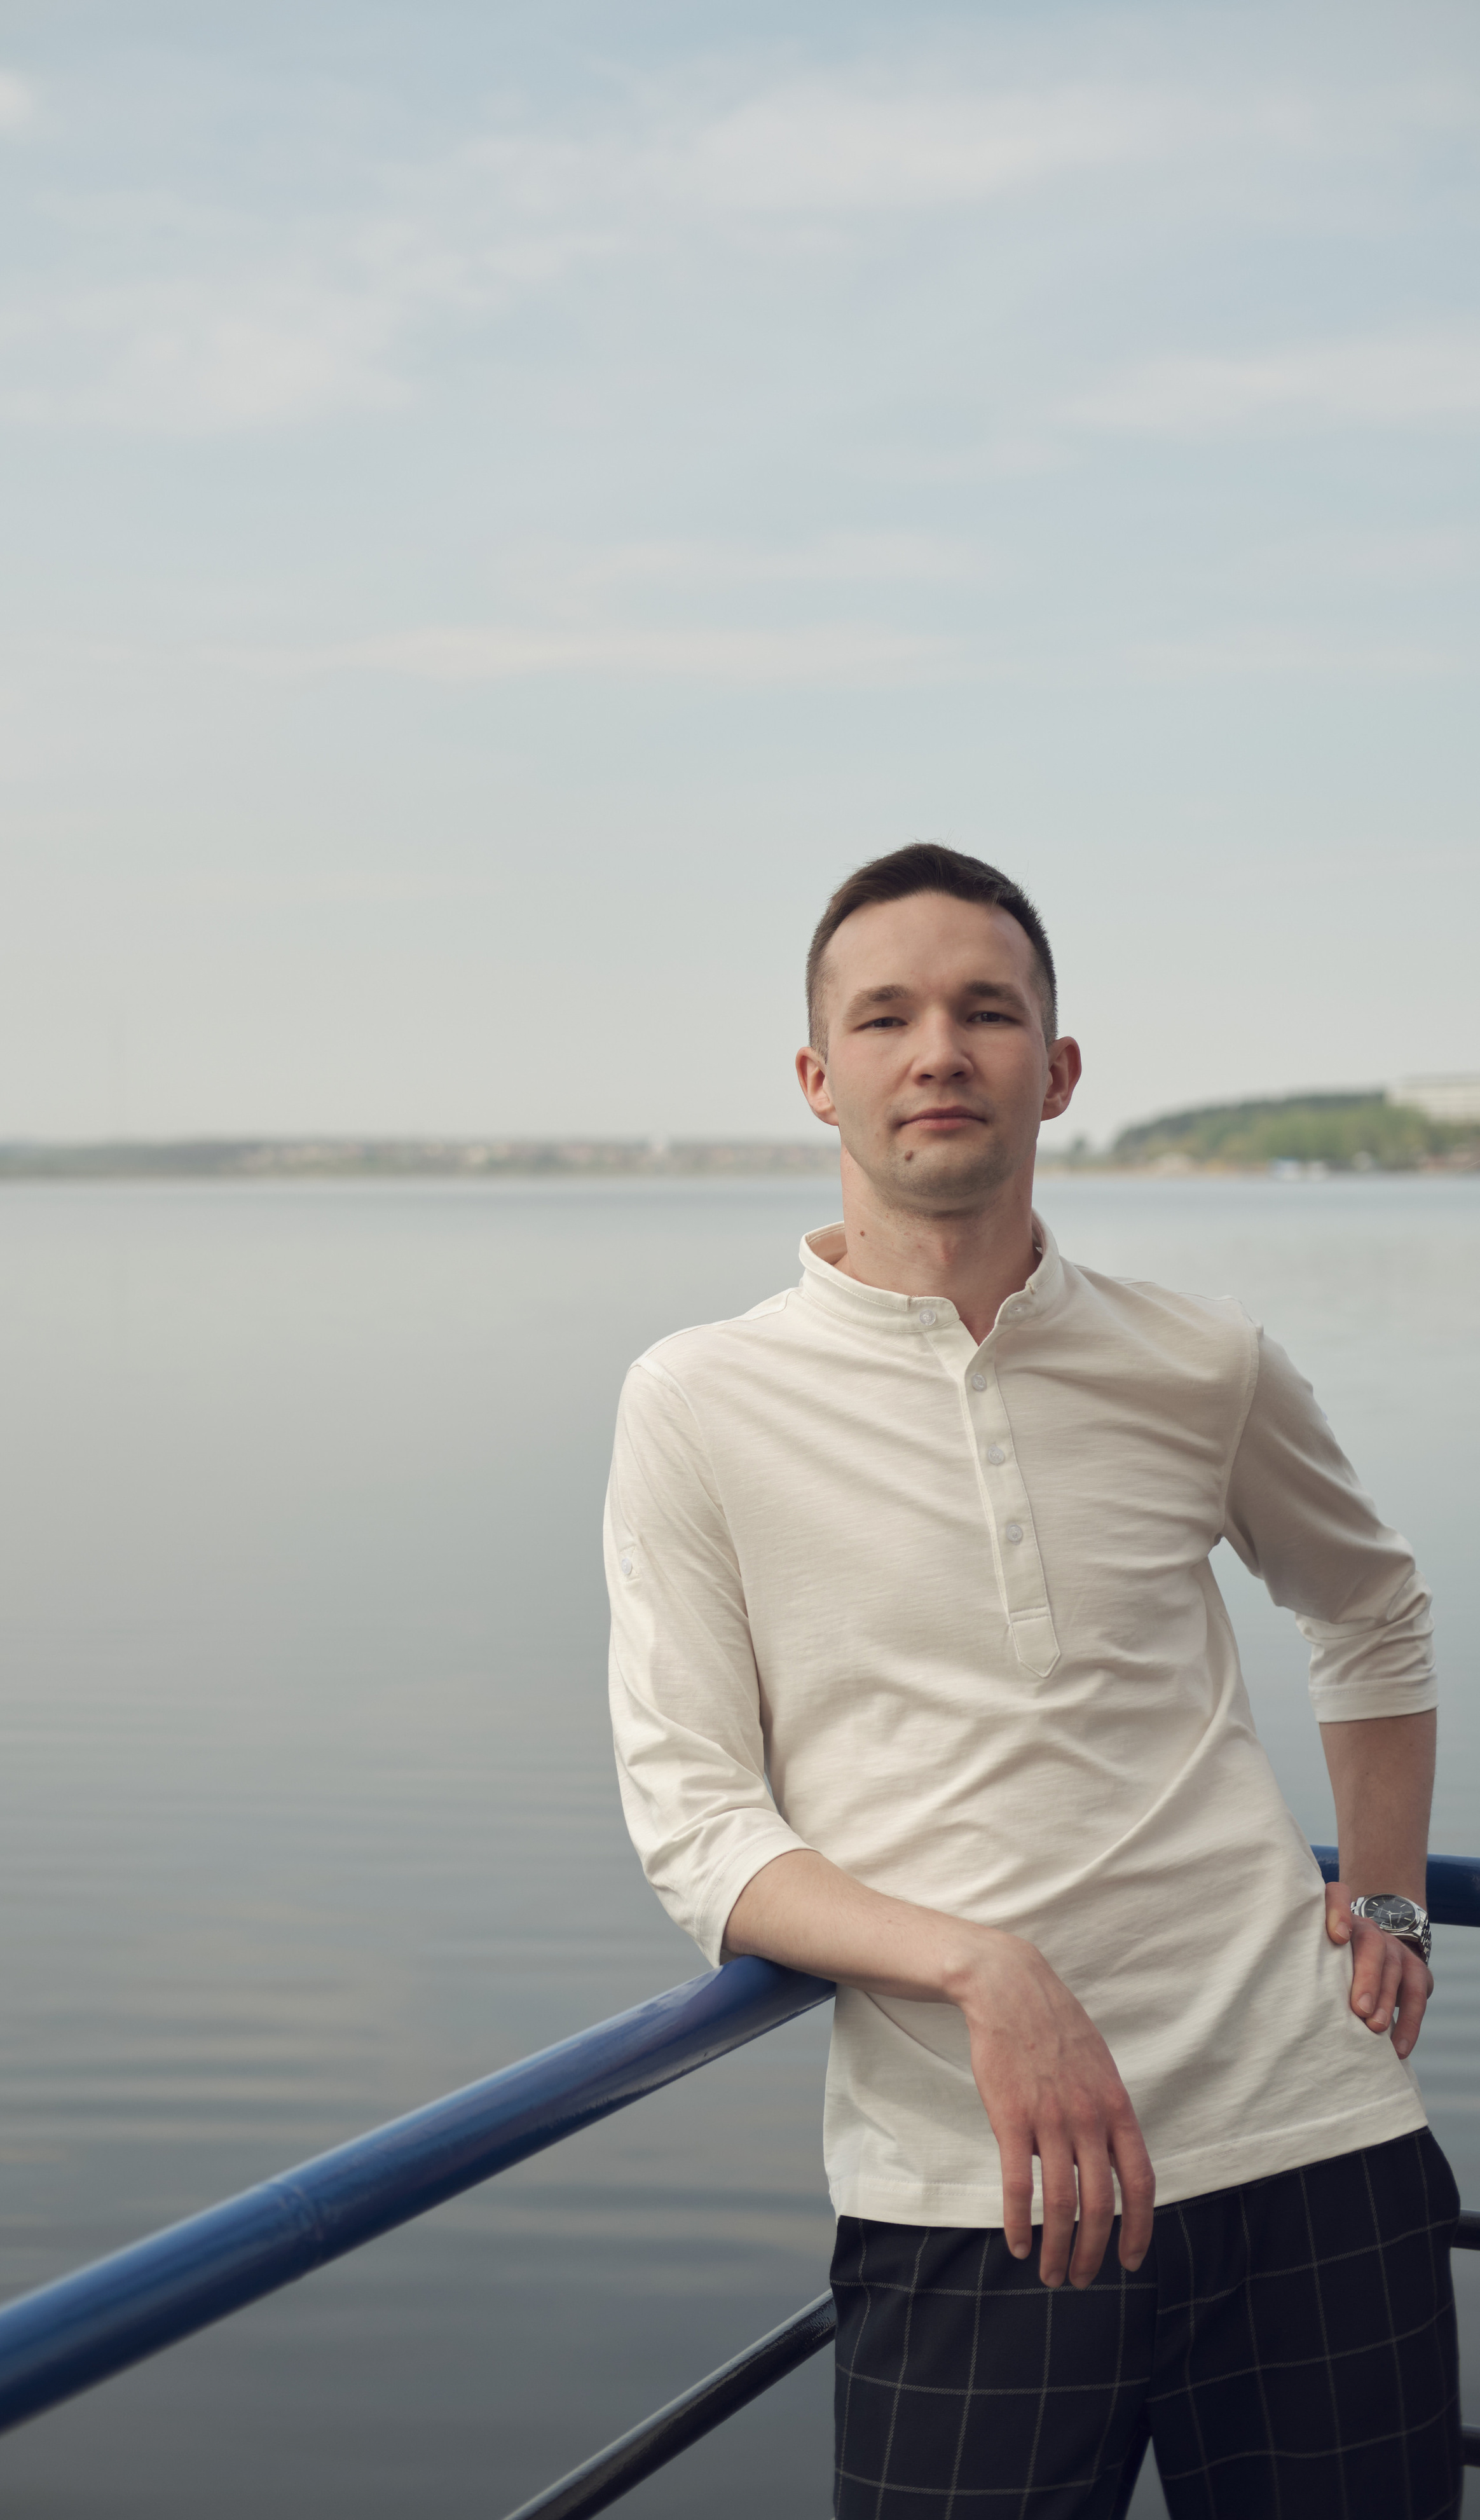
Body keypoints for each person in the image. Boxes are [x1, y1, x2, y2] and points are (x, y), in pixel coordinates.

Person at [603, 844, 1458, 2519]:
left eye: (987, 1011)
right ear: (818, 1077)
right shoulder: (699, 1401)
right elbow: (694, 1822)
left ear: (1056, 1071)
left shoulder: (1202, 1359)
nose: (940, 1051)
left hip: (1311, 2146)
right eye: (886, 1017)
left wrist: (1388, 1895)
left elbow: (1372, 1607)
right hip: (969, 2190)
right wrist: (980, 1966)